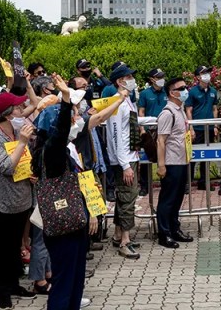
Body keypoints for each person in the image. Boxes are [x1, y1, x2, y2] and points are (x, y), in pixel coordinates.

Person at [33, 74, 111, 310]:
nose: (78, 119)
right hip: (63, 226)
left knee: (76, 281)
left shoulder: (62, 150)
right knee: (64, 283)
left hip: (74, 223)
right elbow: (60, 132)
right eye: (73, 115)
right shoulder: (51, 152)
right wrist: (65, 100)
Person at [0, 91, 37, 307]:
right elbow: (5, 166)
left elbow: (23, 161)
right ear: (7, 114)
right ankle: (0, 291)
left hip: (20, 199)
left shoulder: (14, 132)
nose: (22, 110)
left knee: (14, 246)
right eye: (18, 108)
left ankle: (13, 283)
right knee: (0, 248)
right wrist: (22, 141)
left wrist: (31, 173)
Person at [105, 62, 142, 259]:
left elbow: (131, 125)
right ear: (120, 81)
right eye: (128, 77)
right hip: (124, 159)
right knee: (128, 197)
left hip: (130, 155)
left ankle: (119, 234)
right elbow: (117, 136)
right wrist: (125, 165)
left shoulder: (127, 100)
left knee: (125, 196)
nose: (132, 80)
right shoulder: (116, 103)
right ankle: (125, 241)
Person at [156, 77, 194, 248]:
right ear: (172, 93)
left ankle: (174, 228)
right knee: (168, 199)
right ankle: (164, 233)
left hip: (182, 161)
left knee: (177, 198)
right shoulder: (167, 113)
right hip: (171, 163)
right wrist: (161, 165)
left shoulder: (180, 110)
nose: (186, 90)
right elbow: (161, 141)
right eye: (182, 88)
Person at [137, 68, 169, 197]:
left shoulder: (166, 92)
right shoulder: (145, 93)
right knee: (146, 158)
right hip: (150, 130)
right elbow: (141, 111)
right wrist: (142, 129)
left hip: (164, 129)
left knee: (165, 156)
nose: (161, 79)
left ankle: (165, 183)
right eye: (158, 77)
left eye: (162, 76)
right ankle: (144, 186)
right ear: (152, 79)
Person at [186, 65, 218, 190]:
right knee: (192, 156)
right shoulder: (192, 92)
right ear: (198, 77)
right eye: (204, 73)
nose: (207, 76)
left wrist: (215, 125)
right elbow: (189, 110)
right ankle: (188, 182)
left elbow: (214, 109)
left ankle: (204, 182)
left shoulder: (213, 91)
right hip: (197, 128)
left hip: (209, 128)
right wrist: (191, 127)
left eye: (208, 73)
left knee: (207, 156)